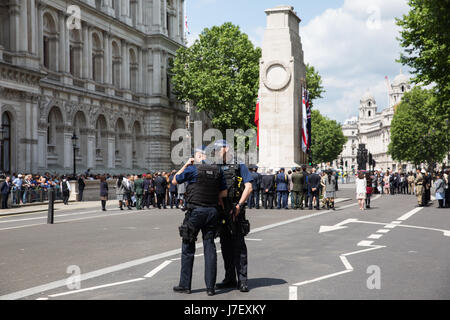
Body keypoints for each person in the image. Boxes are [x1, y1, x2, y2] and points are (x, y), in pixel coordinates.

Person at [172, 157, 228, 296]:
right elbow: (224, 192)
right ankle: (210, 287)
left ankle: (185, 285)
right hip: (212, 212)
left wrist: (185, 164)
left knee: (188, 247)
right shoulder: (218, 170)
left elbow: (175, 180)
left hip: (195, 212)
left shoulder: (192, 169)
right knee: (210, 248)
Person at [213, 140, 253, 293]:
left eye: (219, 149)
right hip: (221, 210)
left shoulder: (239, 165)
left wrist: (239, 205)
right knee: (225, 245)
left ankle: (242, 280)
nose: (216, 152)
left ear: (227, 148)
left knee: (239, 246)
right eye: (215, 149)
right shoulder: (215, 165)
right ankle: (230, 278)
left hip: (236, 209)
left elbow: (248, 187)